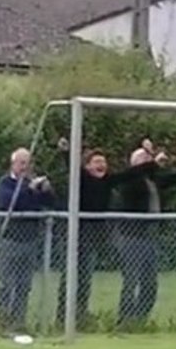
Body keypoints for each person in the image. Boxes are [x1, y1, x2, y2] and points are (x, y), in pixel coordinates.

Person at [51, 138, 163, 328]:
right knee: (70, 277)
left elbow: (131, 173)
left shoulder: (108, 181)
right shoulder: (83, 179)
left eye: (103, 162)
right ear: (87, 166)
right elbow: (73, 167)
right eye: (96, 162)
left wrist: (153, 162)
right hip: (76, 235)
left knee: (85, 278)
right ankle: (63, 317)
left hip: (93, 236)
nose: (101, 165)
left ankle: (80, 315)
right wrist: (66, 151)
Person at [115, 138, 176, 329]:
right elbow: (138, 175)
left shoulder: (153, 181)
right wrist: (152, 159)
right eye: (143, 159)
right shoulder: (129, 181)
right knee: (131, 280)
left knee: (150, 283)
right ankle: (124, 320)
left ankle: (140, 320)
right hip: (131, 237)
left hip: (149, 237)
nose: (147, 162)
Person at [0, 147, 56, 333]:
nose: (24, 167)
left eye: (27, 163)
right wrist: (28, 189)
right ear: (13, 164)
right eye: (21, 163)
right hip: (9, 240)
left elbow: (50, 203)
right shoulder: (5, 183)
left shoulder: (32, 185)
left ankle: (18, 323)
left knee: (24, 285)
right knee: (6, 284)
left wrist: (46, 190)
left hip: (30, 241)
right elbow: (8, 203)